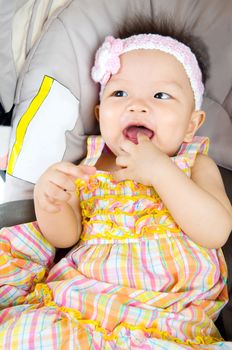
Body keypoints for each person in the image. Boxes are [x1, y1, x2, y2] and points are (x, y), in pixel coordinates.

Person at [0, 16, 232, 349]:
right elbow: (67, 236)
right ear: (99, 113)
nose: (137, 104)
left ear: (191, 125)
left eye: (162, 95)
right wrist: (50, 200)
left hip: (167, 317)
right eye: (120, 93)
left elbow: (216, 230)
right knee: (20, 335)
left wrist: (161, 171)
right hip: (86, 303)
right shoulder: (92, 164)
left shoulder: (194, 164)